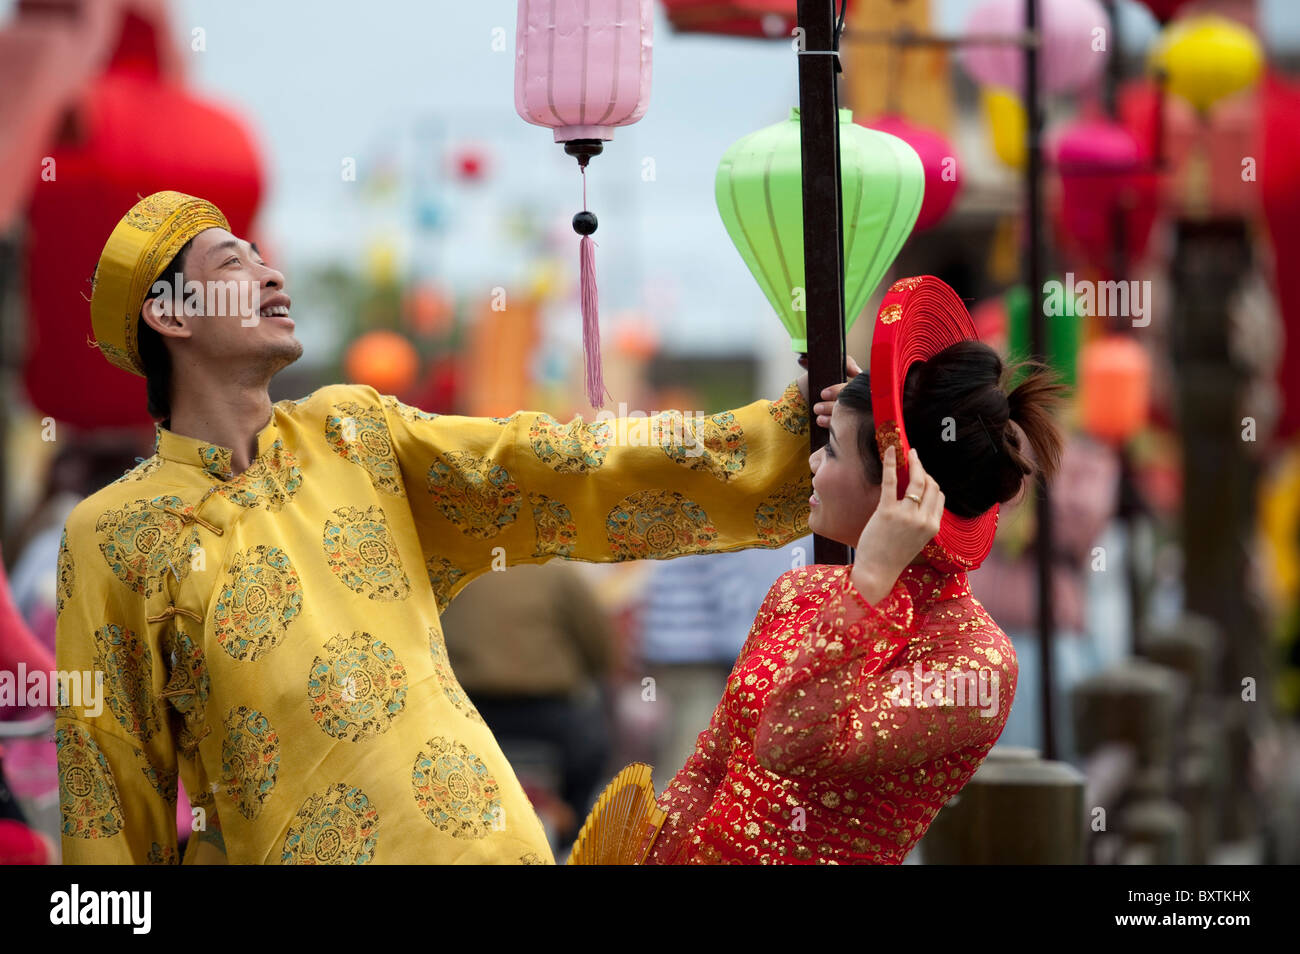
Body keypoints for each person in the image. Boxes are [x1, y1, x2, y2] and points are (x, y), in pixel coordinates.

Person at [54, 190, 832, 865]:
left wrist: (791, 438)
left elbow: (557, 464)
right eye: (233, 265)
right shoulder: (112, 534)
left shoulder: (353, 434)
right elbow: (108, 793)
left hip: (487, 844)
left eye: (265, 257)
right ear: (168, 314)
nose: (272, 274)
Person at [646, 281, 1066, 864]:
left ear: (898, 488)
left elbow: (792, 741)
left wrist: (871, 578)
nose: (814, 461)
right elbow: (707, 770)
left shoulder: (974, 662)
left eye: (834, 451)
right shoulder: (800, 590)